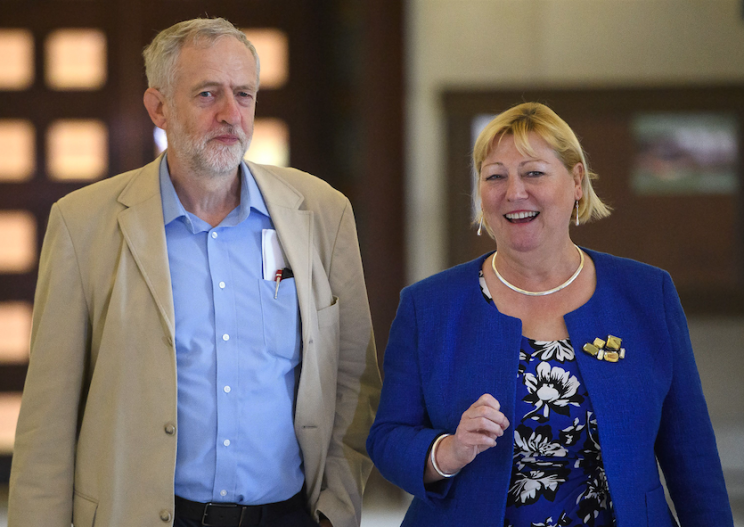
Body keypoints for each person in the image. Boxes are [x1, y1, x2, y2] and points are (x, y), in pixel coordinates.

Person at [8, 17, 380, 527]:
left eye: (244, 94)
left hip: (287, 515)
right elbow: (47, 420)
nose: (231, 114)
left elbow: (353, 382)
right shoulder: (82, 224)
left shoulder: (321, 212)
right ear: (158, 107)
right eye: (207, 94)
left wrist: (336, 511)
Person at [366, 102, 734, 527]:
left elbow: (692, 456)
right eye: (495, 176)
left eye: (533, 173)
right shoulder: (429, 306)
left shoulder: (647, 294)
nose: (514, 192)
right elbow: (388, 438)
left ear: (577, 181)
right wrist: (448, 450)